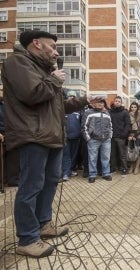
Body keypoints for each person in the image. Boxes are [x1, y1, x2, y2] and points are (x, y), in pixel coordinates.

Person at [1, 30, 92, 257]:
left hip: (50, 136)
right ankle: (28, 238)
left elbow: (58, 107)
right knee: (31, 186)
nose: (56, 51)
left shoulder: (44, 71)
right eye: (52, 46)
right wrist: (54, 79)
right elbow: (32, 94)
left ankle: (44, 225)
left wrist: (84, 101)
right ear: (36, 44)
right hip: (32, 135)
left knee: (50, 182)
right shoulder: (17, 63)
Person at [82, 98, 113, 183]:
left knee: (106, 157)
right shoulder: (88, 113)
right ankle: (92, 175)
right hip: (93, 140)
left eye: (102, 102)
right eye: (98, 102)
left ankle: (106, 173)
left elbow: (110, 126)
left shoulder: (107, 113)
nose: (100, 104)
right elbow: (84, 127)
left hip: (106, 140)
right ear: (94, 104)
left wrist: (110, 136)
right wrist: (88, 139)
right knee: (92, 158)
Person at [62, 98, 82, 181]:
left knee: (73, 155)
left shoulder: (79, 111)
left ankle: (71, 170)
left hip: (76, 137)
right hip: (65, 137)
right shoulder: (64, 110)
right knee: (66, 155)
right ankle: (66, 173)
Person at [109, 96, 131, 175]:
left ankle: (124, 169)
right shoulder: (110, 112)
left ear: (121, 103)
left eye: (119, 101)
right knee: (112, 154)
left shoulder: (124, 112)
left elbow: (128, 124)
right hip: (112, 136)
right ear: (114, 102)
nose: (117, 102)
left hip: (121, 137)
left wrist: (124, 134)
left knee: (122, 154)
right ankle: (113, 168)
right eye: (116, 101)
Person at [128, 102, 140, 175]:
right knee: (131, 151)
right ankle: (131, 166)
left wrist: (135, 136)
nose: (133, 109)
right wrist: (130, 136)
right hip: (130, 135)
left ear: (137, 108)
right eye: (132, 107)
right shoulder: (128, 115)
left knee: (138, 151)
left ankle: (137, 166)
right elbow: (127, 126)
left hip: (138, 135)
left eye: (135, 107)